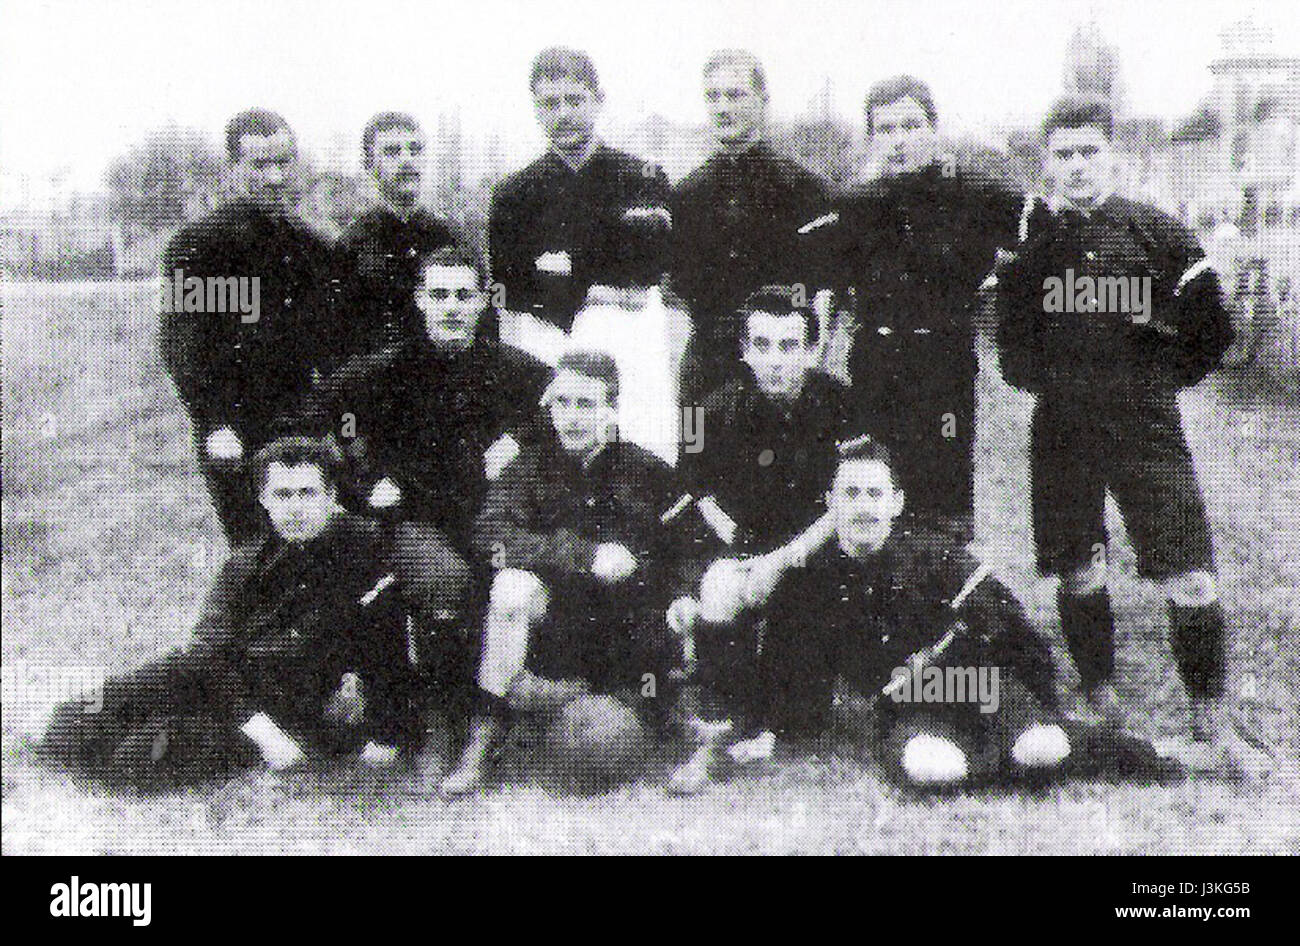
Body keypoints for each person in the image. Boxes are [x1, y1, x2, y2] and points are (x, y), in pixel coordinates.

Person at [997, 95, 1269, 777]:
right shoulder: (1032, 249)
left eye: (1090, 150)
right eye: (1064, 153)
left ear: (1112, 153)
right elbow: (1010, 351)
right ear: (1046, 162)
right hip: (1061, 422)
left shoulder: (1161, 234)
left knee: (1190, 574)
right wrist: (1063, 381)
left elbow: (1212, 333)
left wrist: (1150, 380)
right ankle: (1098, 696)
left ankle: (1210, 715)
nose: (1079, 165)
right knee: (1078, 565)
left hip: (1145, 425)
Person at [37, 438, 422, 788]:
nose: (296, 508)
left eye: (308, 493)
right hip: (221, 685)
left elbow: (388, 651)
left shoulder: (367, 549)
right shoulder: (248, 562)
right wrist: (260, 730)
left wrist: (382, 736)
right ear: (263, 499)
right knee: (70, 723)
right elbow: (204, 650)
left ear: (331, 495)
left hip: (291, 705)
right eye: (282, 495)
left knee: (136, 762)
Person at [297, 245, 548, 726]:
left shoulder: (513, 367)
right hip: (412, 518)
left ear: (482, 302)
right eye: (439, 295)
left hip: (487, 515)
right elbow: (323, 413)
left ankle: (495, 704)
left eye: (463, 295)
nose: (452, 306)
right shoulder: (386, 369)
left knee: (510, 583)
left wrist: (519, 440)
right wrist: (365, 479)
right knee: (444, 583)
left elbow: (563, 406)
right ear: (420, 301)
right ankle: (440, 719)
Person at [440, 350, 699, 796]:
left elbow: (693, 547)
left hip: (632, 630)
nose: (572, 417)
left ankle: (673, 716)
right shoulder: (528, 468)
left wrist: (682, 595)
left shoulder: (649, 471)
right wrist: (583, 556)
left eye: (587, 404)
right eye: (562, 403)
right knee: (510, 587)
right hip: (558, 630)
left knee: (636, 707)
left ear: (612, 409)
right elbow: (490, 537)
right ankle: (483, 738)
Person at [666, 286, 858, 792]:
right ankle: (726, 719)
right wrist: (740, 561)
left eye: (790, 345)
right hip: (745, 544)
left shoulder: (841, 401)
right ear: (745, 350)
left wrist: (787, 558)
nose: (776, 360)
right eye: (763, 345)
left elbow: (852, 500)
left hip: (820, 549)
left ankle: (787, 693)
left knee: (805, 717)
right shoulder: (706, 411)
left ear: (812, 350)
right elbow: (698, 495)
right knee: (721, 589)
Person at [830, 76, 1026, 543]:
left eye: (911, 125)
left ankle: (943, 598)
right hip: (875, 361)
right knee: (874, 480)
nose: (899, 140)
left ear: (934, 128)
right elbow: (830, 288)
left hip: (943, 361)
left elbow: (1039, 249)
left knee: (944, 482)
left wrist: (1001, 292)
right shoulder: (854, 204)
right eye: (886, 128)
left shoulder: (978, 194)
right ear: (872, 137)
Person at [160, 108, 336, 543]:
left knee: (317, 542)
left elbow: (329, 340)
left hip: (302, 420)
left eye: (283, 163)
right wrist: (216, 423)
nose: (275, 177)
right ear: (233, 168)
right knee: (256, 550)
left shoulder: (310, 245)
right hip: (237, 426)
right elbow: (184, 342)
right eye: (261, 165)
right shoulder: (202, 246)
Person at [670, 49, 832, 399]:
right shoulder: (687, 194)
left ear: (762, 101)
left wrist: (806, 365)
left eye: (735, 95)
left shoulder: (802, 188)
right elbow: (681, 294)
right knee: (695, 446)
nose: (722, 108)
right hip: (707, 371)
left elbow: (822, 292)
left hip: (780, 370)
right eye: (713, 97)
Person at [489, 46, 670, 338]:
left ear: (598, 101)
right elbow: (504, 291)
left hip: (629, 334)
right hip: (546, 336)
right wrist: (596, 290)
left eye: (574, 100)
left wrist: (558, 273)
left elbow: (649, 272)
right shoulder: (512, 194)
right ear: (536, 109)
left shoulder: (643, 177)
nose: (563, 114)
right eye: (550, 103)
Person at [569, 206, 694, 466]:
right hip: (655, 443)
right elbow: (686, 396)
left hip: (619, 443)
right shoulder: (677, 318)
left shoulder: (589, 317)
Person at [333, 112, 461, 355]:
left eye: (415, 150)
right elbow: (339, 339)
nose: (407, 161)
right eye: (392, 152)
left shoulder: (451, 238)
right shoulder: (351, 246)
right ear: (369, 165)